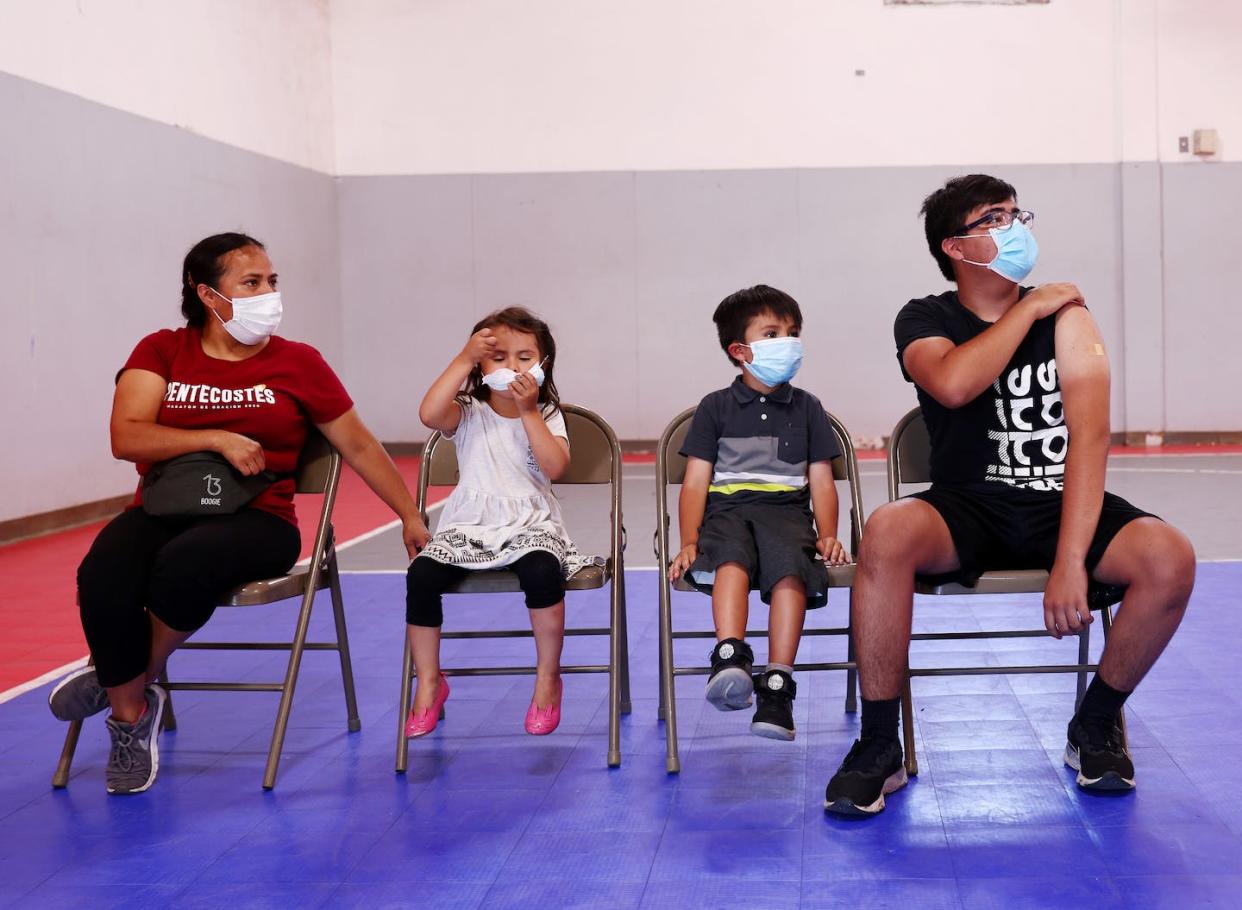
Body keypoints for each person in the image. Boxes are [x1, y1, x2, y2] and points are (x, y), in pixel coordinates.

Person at [824, 175, 1196, 816]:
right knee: (886, 529)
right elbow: (953, 383)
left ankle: (1095, 724)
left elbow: (1090, 438)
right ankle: (880, 744)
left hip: (1062, 505)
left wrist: (1070, 562)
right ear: (955, 248)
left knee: (1171, 557)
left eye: (1015, 212)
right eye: (992, 218)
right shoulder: (925, 317)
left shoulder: (1071, 318)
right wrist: (1029, 308)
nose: (1014, 226)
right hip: (968, 503)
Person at [49, 233, 430, 795]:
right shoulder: (161, 350)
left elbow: (360, 446)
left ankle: (119, 691)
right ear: (207, 294)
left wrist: (410, 516)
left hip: (258, 518)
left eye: (271, 281)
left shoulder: (299, 362)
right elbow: (126, 436)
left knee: (183, 566)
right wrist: (219, 438)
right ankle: (131, 707)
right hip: (164, 507)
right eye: (250, 283)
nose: (268, 293)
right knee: (102, 571)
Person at [669, 285, 850, 741]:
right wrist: (689, 541)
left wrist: (828, 533)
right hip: (726, 511)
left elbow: (822, 481)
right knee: (730, 558)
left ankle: (777, 686)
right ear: (740, 350)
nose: (787, 341)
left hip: (787, 513)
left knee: (791, 568)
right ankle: (730, 655)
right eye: (772, 333)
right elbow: (695, 483)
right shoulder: (715, 407)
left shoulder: (809, 408)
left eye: (792, 332)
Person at [405, 306, 587, 739]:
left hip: (531, 523)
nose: (512, 367)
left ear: (544, 365)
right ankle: (430, 681)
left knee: (541, 571)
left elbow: (554, 466)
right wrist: (463, 357)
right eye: (498, 357)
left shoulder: (547, 414)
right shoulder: (466, 410)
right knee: (422, 575)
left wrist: (528, 412)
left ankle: (547, 678)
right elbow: (429, 414)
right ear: (481, 366)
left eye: (524, 357)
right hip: (470, 524)